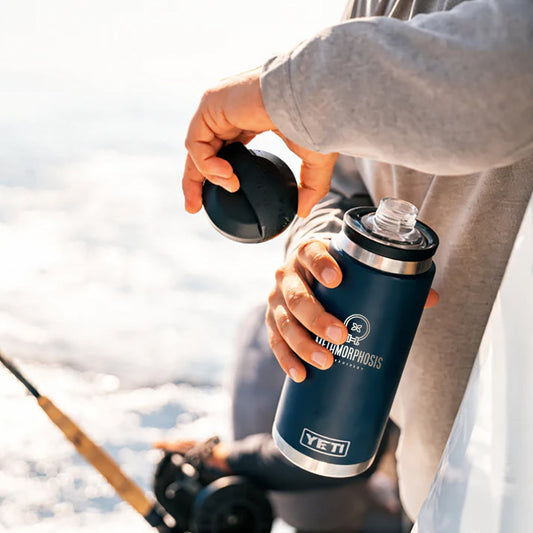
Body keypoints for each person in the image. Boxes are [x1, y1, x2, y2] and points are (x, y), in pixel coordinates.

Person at [176, 0, 533, 527]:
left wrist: (279, 93)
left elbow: (506, 82)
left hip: (511, 484)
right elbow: (344, 180)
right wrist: (316, 252)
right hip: (431, 486)